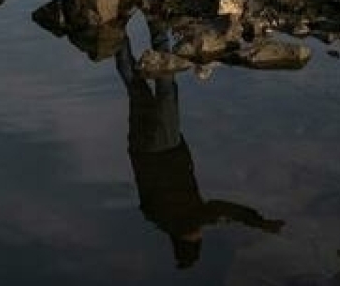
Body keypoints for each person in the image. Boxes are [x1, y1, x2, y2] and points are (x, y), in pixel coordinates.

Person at [114, 29, 284, 269]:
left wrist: (258, 221)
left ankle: (156, 23)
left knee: (166, 86)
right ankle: (118, 34)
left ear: (193, 240)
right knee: (135, 88)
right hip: (139, 150)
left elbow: (226, 210)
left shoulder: (190, 219)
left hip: (165, 149)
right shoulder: (156, 218)